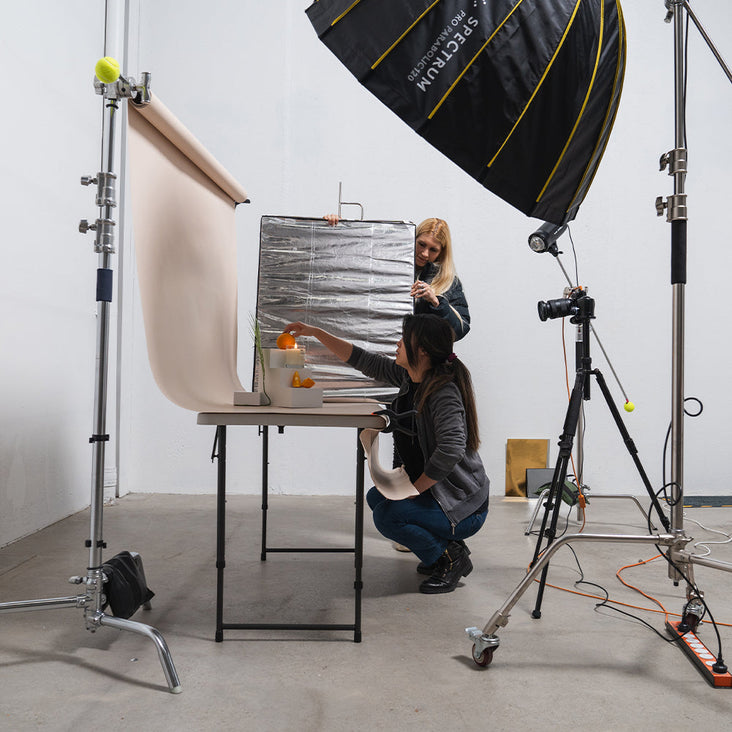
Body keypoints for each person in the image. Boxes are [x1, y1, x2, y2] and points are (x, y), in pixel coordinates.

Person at [283, 313, 489, 594]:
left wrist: (415, 490)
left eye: (405, 339)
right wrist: (316, 332)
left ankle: (450, 558)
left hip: (463, 506)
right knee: (376, 498)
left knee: (388, 517)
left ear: (423, 351)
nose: (398, 343)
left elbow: (451, 448)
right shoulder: (410, 376)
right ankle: (446, 545)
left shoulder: (443, 391)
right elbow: (363, 360)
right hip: (439, 495)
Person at [323, 215, 470, 340]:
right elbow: (355, 260)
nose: (425, 253)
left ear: (441, 253)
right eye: (421, 244)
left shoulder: (448, 282)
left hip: (423, 360)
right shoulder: (389, 265)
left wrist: (437, 303)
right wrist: (337, 228)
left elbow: (460, 331)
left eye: (433, 250)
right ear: (413, 239)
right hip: (384, 349)